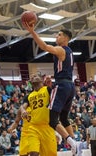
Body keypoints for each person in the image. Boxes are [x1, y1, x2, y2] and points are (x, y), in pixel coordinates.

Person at [23, 22, 77, 155]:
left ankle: (70, 141)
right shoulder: (70, 52)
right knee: (64, 117)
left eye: (59, 35)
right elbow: (64, 70)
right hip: (70, 85)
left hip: (62, 86)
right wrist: (53, 76)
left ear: (66, 38)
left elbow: (44, 46)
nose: (56, 37)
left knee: (53, 120)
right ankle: (76, 145)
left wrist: (32, 32)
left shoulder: (61, 49)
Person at [20, 74, 57, 156]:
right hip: (34, 127)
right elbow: (23, 106)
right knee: (33, 153)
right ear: (31, 82)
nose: (34, 77)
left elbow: (57, 91)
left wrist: (51, 82)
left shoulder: (47, 89)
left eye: (36, 76)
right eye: (32, 77)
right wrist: (23, 111)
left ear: (41, 80)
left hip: (47, 127)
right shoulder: (29, 96)